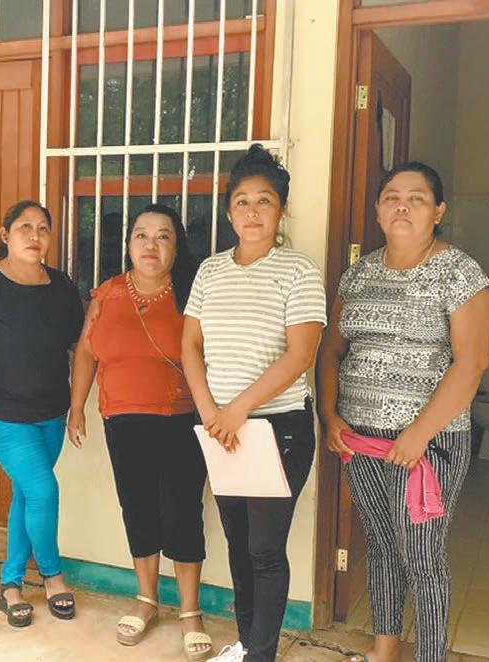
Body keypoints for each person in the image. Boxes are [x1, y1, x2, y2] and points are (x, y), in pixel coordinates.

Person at [316, 162, 489, 662]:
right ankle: (385, 649)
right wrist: (330, 416)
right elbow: (332, 350)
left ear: (438, 212)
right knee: (380, 544)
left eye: (417, 198)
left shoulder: (460, 274)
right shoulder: (358, 274)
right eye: (392, 196)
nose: (402, 206)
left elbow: (473, 363)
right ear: (377, 210)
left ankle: (431, 656)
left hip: (429, 443)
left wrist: (419, 433)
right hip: (359, 438)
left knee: (422, 554)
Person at [181, 145, 327, 662]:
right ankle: (248, 645)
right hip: (221, 429)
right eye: (242, 201)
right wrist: (210, 413)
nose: (252, 212)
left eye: (264, 201)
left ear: (281, 210)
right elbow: (190, 345)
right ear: (228, 212)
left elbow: (300, 354)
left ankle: (260, 655)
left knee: (264, 548)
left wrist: (238, 409)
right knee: (240, 546)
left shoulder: (299, 271)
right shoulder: (210, 272)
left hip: (277, 428)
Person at [67, 204, 212, 660]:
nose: (151, 245)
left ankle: (190, 611)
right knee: (138, 507)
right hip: (122, 419)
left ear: (177, 246)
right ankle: (147, 599)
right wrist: (77, 405)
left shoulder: (192, 293)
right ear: (129, 243)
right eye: (141, 235)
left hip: (181, 418)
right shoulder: (108, 293)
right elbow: (86, 351)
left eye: (163, 236)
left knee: (182, 511)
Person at [0, 200, 84, 628]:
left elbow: (80, 348)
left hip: (51, 414)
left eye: (43, 228)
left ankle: (10, 584)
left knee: (26, 496)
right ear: (5, 234)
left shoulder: (62, 288)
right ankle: (52, 575)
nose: (35, 236)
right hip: (4, 417)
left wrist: (77, 406)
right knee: (44, 491)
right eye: (25, 227)